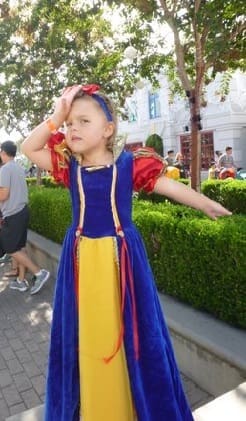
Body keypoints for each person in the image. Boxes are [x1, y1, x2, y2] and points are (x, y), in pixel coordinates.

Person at [21, 84, 231, 421]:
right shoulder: (68, 166)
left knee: (131, 332)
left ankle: (131, 407)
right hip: (82, 263)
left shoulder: (130, 165)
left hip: (121, 263)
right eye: (69, 122)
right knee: (88, 335)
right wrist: (55, 117)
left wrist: (205, 203)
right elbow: (29, 148)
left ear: (108, 130)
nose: (72, 127)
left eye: (83, 121)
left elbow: (168, 186)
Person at [0, 140, 50, 294]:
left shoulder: (5, 169)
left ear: (3, 152)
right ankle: (21, 281)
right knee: (20, 247)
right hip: (22, 211)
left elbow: (4, 194)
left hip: (13, 213)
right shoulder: (19, 168)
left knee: (9, 247)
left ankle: (39, 273)